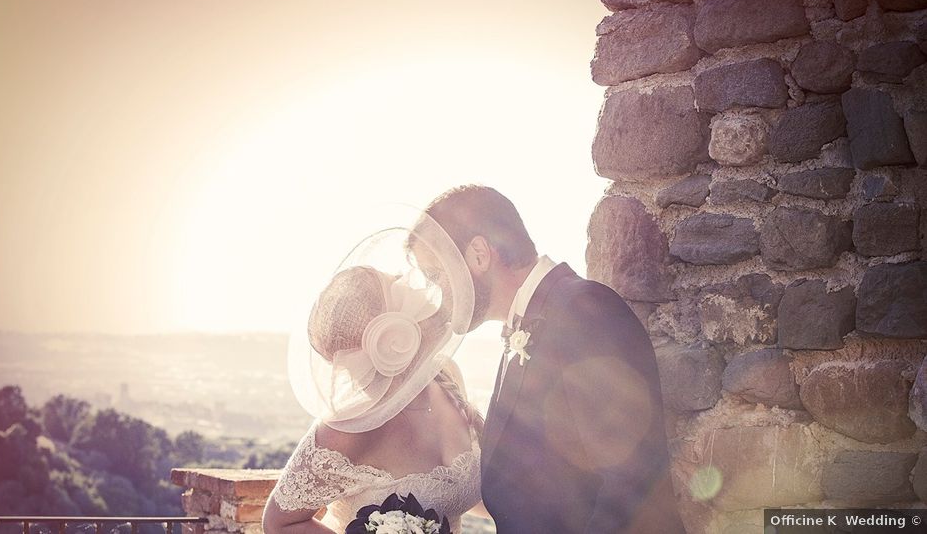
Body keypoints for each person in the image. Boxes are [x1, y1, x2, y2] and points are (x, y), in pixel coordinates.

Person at [422, 185, 686, 533]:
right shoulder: (525, 325)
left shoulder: (583, 310)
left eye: (436, 275)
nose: (437, 295)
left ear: (479, 255)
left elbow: (630, 481)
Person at [262, 219, 484, 534]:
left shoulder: (446, 376)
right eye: (399, 290)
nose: (416, 288)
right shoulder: (351, 426)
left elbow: (461, 490)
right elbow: (278, 523)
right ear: (391, 331)